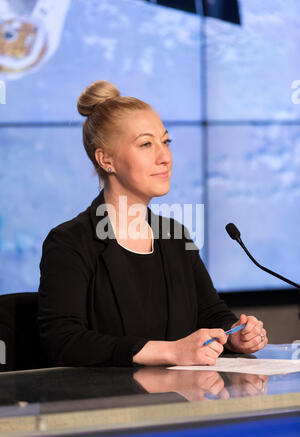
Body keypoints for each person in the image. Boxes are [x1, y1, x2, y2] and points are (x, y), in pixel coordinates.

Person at [38, 80, 268, 368]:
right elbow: (64, 341)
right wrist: (171, 351)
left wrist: (235, 336)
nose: (165, 157)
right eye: (146, 144)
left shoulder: (173, 235)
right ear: (106, 159)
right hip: (107, 406)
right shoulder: (71, 241)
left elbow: (211, 313)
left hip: (181, 405)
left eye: (165, 141)